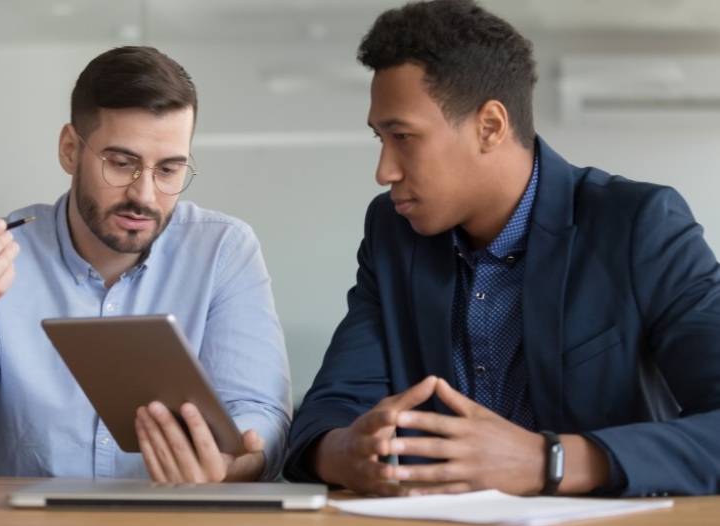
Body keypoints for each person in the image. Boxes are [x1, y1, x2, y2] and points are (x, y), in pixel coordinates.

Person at [283, 0, 720, 497]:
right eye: (380, 138)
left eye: (403, 137)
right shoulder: (392, 233)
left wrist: (548, 461)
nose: (384, 171)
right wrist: (346, 453)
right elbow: (329, 410)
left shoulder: (641, 225)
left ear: (490, 126)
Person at [0, 46, 292, 482]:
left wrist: (233, 464)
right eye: (121, 164)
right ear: (69, 149)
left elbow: (260, 416)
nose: (145, 195)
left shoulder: (223, 250)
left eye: (169, 170)